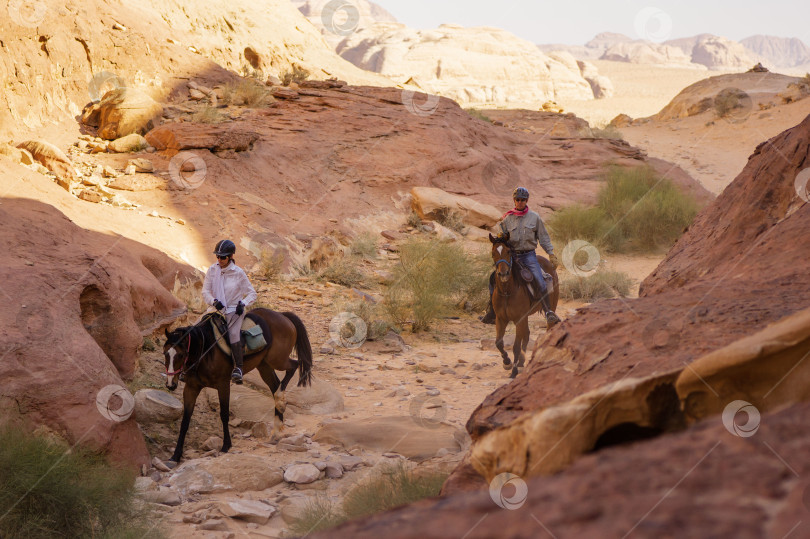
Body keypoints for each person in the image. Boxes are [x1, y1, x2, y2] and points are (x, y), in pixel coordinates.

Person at [481, 187, 562, 327]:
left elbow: (543, 237)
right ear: (514, 201)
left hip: (529, 255)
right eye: (517, 200)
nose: (520, 202)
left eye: (522, 200)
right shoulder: (507, 219)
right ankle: (493, 312)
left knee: (540, 280)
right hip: (512, 255)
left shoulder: (534, 217)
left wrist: (551, 253)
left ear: (527, 201)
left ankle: (549, 312)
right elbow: (502, 238)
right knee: (493, 278)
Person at [202, 239, 257, 384]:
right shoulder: (212, 270)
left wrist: (243, 303)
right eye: (218, 256)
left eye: (223, 257)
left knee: (233, 334)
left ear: (231, 256)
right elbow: (205, 291)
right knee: (196, 328)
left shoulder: (238, 273)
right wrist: (213, 301)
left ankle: (238, 368)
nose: (219, 259)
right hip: (215, 308)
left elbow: (252, 293)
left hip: (233, 309)